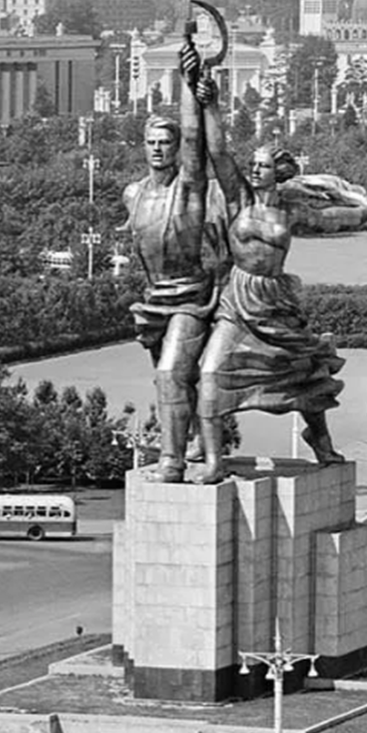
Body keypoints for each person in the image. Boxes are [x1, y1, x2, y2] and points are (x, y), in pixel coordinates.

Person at [194, 71, 346, 484]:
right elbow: (219, 152)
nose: (255, 170)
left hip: (275, 300)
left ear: (279, 172)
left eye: (263, 166)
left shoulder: (291, 209)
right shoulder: (239, 197)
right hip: (239, 297)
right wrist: (210, 104)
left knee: (305, 369)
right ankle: (212, 458)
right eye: (254, 165)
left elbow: (337, 216)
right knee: (211, 372)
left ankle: (320, 440)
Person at [122, 46, 226, 482]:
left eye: (166, 142)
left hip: (189, 298)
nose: (159, 149)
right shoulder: (133, 193)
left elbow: (195, 138)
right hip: (153, 301)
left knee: (169, 376)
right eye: (152, 143)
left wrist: (189, 83)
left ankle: (172, 460)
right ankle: (198, 440)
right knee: (176, 383)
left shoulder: (189, 189)